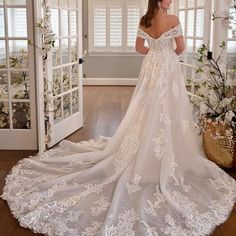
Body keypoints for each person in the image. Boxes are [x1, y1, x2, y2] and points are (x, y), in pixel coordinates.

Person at [1, 0, 236, 235]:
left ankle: (145, 144)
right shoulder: (173, 20)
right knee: (167, 108)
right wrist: (165, 55)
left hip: (150, 65)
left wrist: (155, 52)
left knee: (147, 107)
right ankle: (161, 151)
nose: (171, 1)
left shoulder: (144, 21)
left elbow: (139, 48)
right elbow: (181, 48)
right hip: (167, 66)